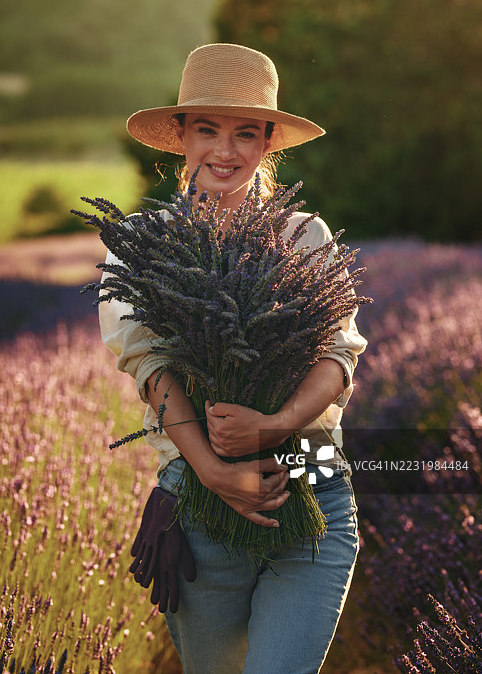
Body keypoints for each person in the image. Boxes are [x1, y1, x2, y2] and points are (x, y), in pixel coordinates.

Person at [99, 43, 367, 674]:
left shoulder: (306, 236)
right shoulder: (141, 245)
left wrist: (274, 427)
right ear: (182, 139)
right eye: (208, 130)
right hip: (200, 502)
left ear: (268, 143)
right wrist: (215, 471)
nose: (225, 150)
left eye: (246, 133)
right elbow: (150, 367)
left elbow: (339, 354)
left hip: (312, 489)